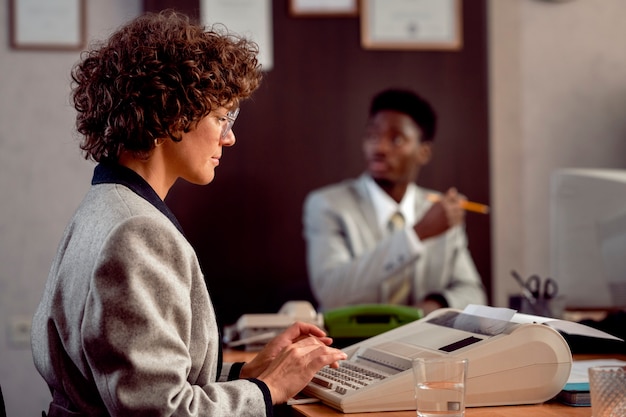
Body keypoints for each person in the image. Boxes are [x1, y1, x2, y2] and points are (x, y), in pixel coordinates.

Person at [31, 10, 346, 417]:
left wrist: (247, 372)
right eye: (221, 118)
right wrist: (268, 389)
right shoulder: (137, 232)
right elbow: (159, 411)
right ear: (171, 114)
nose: (229, 137)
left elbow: (140, 380)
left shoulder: (104, 206)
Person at [303, 88, 487, 315]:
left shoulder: (441, 211)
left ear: (424, 152)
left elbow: (473, 292)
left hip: (425, 343)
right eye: (372, 136)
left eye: (396, 139)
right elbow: (331, 293)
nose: (379, 148)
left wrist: (436, 304)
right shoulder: (327, 205)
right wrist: (416, 235)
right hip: (347, 345)